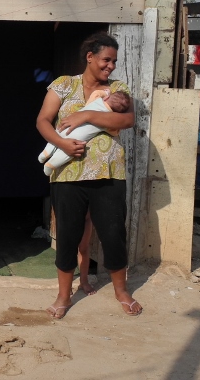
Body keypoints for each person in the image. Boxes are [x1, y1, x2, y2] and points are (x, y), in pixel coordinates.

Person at [35, 31, 142, 319]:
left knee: (113, 234)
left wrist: (87, 116)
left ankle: (121, 290)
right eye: (106, 60)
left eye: (114, 61)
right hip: (68, 175)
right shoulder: (63, 85)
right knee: (68, 235)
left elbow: (127, 120)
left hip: (108, 175)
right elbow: (43, 121)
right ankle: (63, 295)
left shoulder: (118, 88)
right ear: (90, 57)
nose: (111, 66)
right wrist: (61, 143)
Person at [38, 90, 132, 176]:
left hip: (67, 126)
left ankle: (45, 153)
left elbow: (96, 93)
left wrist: (106, 93)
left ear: (107, 98)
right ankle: (50, 165)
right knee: (68, 153)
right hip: (78, 137)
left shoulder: (96, 100)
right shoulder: (108, 119)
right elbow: (114, 132)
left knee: (58, 133)